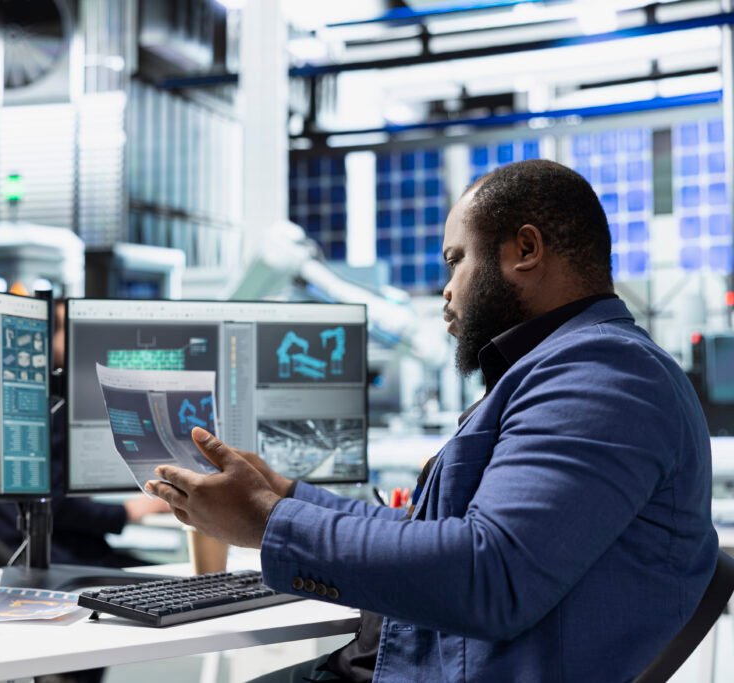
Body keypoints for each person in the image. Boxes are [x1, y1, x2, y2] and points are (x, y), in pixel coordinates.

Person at [146, 159, 718, 682]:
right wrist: (286, 494)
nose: (446, 289)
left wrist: (270, 522)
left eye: (456, 260)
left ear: (525, 249)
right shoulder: (561, 369)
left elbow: (489, 573)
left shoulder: (603, 375)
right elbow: (436, 533)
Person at [0, 301, 167, 578]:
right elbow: (55, 505)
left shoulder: (13, 397)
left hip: (43, 550)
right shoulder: (46, 406)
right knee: (182, 582)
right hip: (51, 557)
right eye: (70, 330)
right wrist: (131, 511)